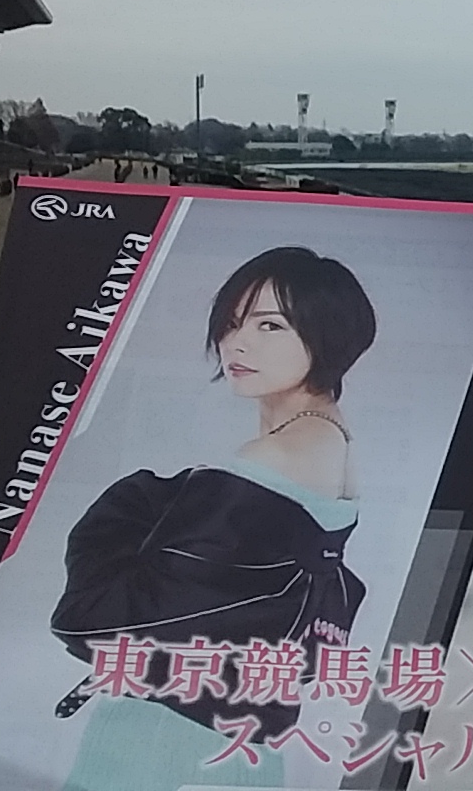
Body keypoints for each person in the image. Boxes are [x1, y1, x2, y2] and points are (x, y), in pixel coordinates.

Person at [49, 247, 378, 791]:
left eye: (269, 325)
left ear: (327, 334)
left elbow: (133, 616)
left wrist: (129, 515)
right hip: (244, 734)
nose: (237, 343)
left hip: (160, 734)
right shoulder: (334, 441)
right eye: (231, 323)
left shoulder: (272, 456)